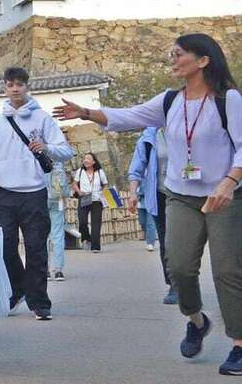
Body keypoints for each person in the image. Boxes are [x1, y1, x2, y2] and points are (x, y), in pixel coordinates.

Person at [54, 33, 242, 376]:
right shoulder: (170, 100)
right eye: (172, 53)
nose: (172, 59)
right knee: (181, 268)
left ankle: (239, 344)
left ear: (203, 60)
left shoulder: (228, 99)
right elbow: (129, 116)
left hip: (223, 197)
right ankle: (197, 320)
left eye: (179, 54)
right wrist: (87, 113)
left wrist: (230, 181)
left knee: (228, 270)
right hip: (181, 195)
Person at [0, 67, 74, 321]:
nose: (15, 89)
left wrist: (46, 147)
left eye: (19, 84)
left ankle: (39, 302)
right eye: (10, 84)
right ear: (4, 87)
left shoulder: (42, 118)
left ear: (27, 86)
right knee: (4, 247)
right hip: (3, 191)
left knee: (36, 248)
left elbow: (65, 150)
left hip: (33, 191)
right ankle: (18, 287)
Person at [127, 127, 177, 304]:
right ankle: (174, 284)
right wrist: (133, 194)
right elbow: (136, 169)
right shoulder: (148, 139)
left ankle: (188, 281)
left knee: (189, 241)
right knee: (166, 240)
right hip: (160, 195)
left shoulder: (187, 128)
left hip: (187, 194)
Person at [72, 153, 107, 253]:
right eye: (84, 158)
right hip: (84, 198)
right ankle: (87, 238)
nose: (85, 160)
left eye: (88, 158)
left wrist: (102, 193)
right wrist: (79, 191)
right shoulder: (80, 171)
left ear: (93, 162)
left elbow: (105, 184)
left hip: (97, 200)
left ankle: (95, 246)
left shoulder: (100, 172)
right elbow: (74, 184)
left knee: (96, 224)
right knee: (82, 221)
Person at [46, 161, 71, 282]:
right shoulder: (59, 165)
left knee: (41, 236)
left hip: (41, 201)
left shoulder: (37, 160)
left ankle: (45, 269)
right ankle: (58, 270)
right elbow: (66, 191)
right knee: (58, 235)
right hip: (57, 201)